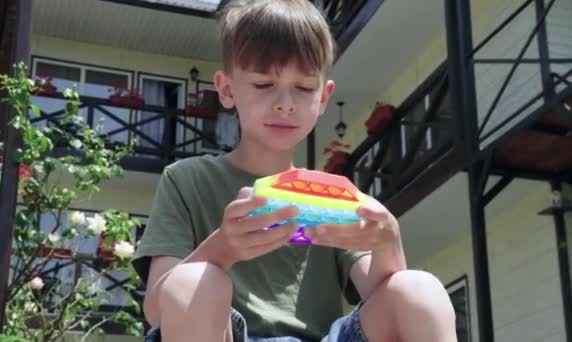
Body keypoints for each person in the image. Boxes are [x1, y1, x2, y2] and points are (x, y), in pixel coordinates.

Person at [132, 0, 457, 341]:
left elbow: (384, 294)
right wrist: (222, 249)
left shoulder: (334, 194)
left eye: (303, 88)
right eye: (263, 84)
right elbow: (157, 308)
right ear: (227, 90)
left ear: (323, 98)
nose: (285, 103)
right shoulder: (186, 179)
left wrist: (388, 241)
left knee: (420, 289)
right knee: (191, 280)